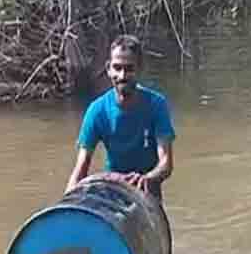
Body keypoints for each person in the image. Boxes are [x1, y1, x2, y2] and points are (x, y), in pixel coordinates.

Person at [65, 34, 176, 201]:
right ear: (108, 69)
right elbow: (80, 168)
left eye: (129, 69)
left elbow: (166, 164)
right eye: (117, 68)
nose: (122, 76)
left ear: (140, 68)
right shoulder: (97, 110)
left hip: (146, 191)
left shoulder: (156, 105)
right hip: (112, 193)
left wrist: (147, 178)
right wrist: (66, 204)